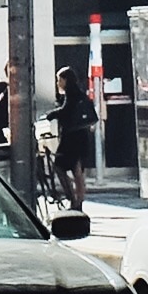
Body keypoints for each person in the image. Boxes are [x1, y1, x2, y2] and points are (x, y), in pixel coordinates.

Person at [49, 70, 94, 211]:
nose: (58, 83)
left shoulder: (71, 94)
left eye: (59, 80)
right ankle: (78, 202)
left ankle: (73, 198)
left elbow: (66, 110)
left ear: (65, 80)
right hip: (81, 137)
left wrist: (52, 114)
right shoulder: (78, 93)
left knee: (59, 166)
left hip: (71, 139)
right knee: (77, 170)